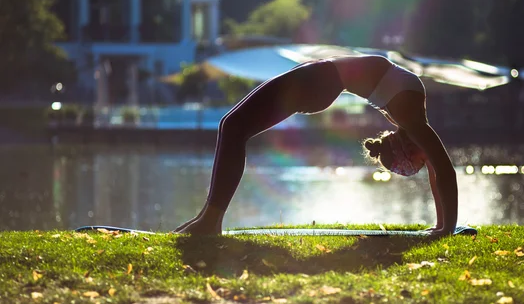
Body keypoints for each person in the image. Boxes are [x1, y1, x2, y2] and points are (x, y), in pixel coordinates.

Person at [174, 54, 458, 236]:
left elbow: (439, 170)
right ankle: (207, 219)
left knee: (234, 127)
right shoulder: (411, 115)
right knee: (231, 126)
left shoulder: (411, 114)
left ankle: (210, 222)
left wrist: (444, 226)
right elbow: (442, 170)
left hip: (320, 81)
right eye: (421, 161)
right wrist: (446, 227)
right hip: (320, 80)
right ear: (409, 150)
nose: (427, 160)